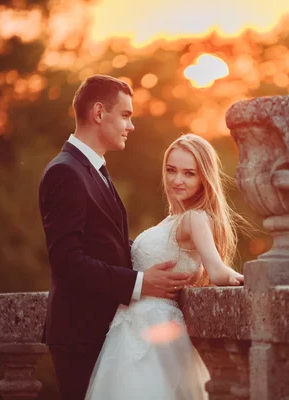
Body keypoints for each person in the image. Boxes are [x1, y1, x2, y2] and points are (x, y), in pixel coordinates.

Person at [38, 75, 191, 400]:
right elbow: (67, 261)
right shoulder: (65, 172)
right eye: (125, 115)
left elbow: (109, 243)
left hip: (106, 332)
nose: (131, 126)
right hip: (81, 336)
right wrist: (139, 283)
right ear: (98, 113)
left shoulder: (93, 169)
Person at [85, 133, 245, 400]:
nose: (177, 180)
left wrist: (249, 278)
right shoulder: (173, 219)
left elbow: (216, 271)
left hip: (156, 329)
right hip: (129, 329)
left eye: (188, 173)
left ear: (204, 178)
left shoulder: (194, 218)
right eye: (171, 170)